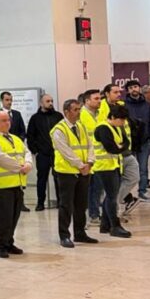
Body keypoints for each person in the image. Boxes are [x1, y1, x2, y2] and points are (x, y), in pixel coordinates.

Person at [0, 111, 33, 258]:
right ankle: (1, 245)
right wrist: (20, 167)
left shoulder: (15, 138)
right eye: (4, 120)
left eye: (8, 120)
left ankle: (9, 242)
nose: (7, 123)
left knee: (14, 216)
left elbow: (26, 152)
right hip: (0, 185)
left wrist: (29, 164)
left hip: (17, 182)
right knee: (4, 217)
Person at [52, 99, 98, 247]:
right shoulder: (59, 129)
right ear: (67, 112)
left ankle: (80, 233)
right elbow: (66, 151)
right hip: (67, 172)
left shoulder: (81, 126)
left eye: (79, 109)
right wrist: (80, 165)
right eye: (76, 110)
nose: (79, 112)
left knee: (81, 204)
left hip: (84, 170)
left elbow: (90, 145)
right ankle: (64, 235)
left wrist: (90, 162)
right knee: (66, 205)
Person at [94, 106, 133, 238]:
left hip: (114, 165)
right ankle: (114, 226)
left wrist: (120, 147)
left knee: (111, 195)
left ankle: (105, 225)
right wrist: (119, 147)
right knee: (111, 197)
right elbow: (111, 148)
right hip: (103, 167)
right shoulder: (103, 128)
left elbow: (126, 143)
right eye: (120, 120)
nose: (122, 123)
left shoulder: (116, 127)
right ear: (112, 117)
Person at [26, 94, 63, 211]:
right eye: (48, 101)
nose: (50, 103)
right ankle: (40, 202)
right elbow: (30, 136)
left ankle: (60, 202)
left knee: (59, 177)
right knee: (41, 178)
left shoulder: (58, 116)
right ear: (41, 103)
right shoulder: (35, 118)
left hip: (57, 153)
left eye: (51, 101)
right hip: (42, 154)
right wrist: (35, 151)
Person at [125, 81, 150, 202]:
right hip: (129, 142)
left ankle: (142, 191)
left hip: (143, 141)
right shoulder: (124, 105)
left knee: (143, 167)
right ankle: (125, 194)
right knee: (126, 169)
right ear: (127, 90)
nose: (133, 89)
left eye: (135, 87)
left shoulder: (147, 105)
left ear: (139, 88)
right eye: (130, 88)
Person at [81, 89, 106, 224]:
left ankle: (96, 212)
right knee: (94, 188)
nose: (99, 101)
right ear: (87, 101)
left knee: (98, 187)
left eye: (99, 98)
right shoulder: (82, 115)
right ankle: (93, 214)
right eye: (96, 99)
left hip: (100, 157)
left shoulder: (100, 113)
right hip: (88, 158)